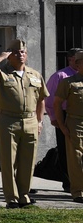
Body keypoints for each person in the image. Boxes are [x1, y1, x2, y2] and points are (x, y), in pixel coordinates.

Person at [0, 40, 48, 208]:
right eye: (16, 52)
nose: (20, 55)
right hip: (8, 120)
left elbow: (41, 100)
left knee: (28, 160)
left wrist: (40, 121)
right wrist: (0, 57)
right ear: (9, 56)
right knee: (8, 161)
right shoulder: (1, 73)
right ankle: (11, 198)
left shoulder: (34, 74)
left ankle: (24, 195)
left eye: (23, 52)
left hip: (30, 120)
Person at [45, 48, 80, 193]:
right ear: (70, 59)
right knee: (66, 150)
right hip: (64, 115)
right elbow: (50, 99)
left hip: (78, 114)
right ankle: (68, 182)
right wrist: (54, 118)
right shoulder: (60, 76)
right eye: (77, 58)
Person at [52, 64, 83, 204]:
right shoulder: (68, 82)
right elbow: (56, 103)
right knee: (76, 158)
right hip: (76, 123)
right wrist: (62, 125)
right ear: (78, 64)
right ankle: (78, 191)